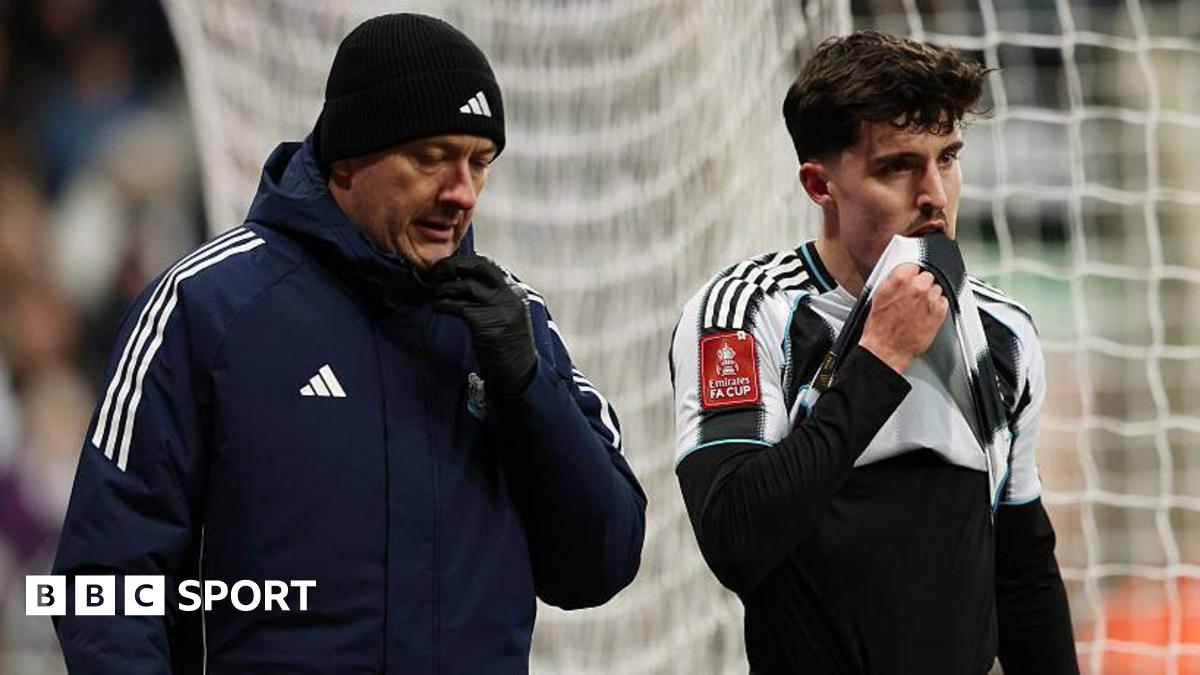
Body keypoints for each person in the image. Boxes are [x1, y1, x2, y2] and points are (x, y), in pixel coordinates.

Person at [52, 13, 646, 673]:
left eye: (480, 163)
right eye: (432, 157)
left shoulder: (516, 325)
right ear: (349, 156)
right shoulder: (204, 308)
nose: (462, 193)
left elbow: (602, 562)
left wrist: (530, 389)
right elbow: (102, 580)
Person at [670, 31, 1076, 673]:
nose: (935, 196)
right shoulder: (748, 313)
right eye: (898, 166)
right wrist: (881, 354)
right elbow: (736, 537)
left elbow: (1022, 576)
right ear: (818, 185)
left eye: (947, 158)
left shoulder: (1003, 333)